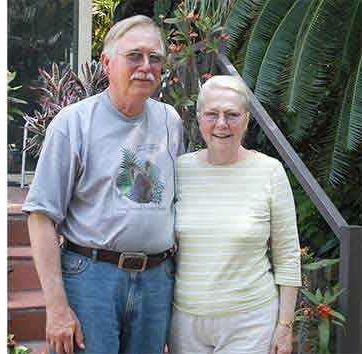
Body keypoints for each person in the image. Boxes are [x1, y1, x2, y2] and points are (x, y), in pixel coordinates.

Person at [22, 15, 183, 354]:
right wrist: (56, 309)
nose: (146, 66)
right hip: (92, 279)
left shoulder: (170, 121)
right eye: (134, 56)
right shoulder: (73, 124)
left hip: (156, 281)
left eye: (155, 58)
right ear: (107, 64)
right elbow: (41, 217)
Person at [169, 75, 300, 354]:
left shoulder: (270, 171)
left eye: (232, 114)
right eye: (211, 114)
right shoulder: (179, 170)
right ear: (199, 117)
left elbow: (287, 255)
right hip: (184, 324)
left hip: (250, 323)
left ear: (247, 118)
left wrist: (285, 326)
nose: (221, 124)